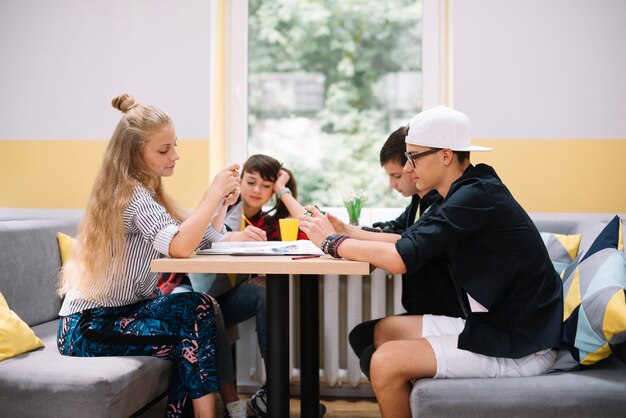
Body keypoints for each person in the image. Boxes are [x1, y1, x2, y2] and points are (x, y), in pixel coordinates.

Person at [298, 105, 563, 418]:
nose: (408, 169)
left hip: (520, 343)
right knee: (385, 332)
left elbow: (398, 259)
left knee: (384, 361)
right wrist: (345, 233)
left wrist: (332, 242)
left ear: (446, 155)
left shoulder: (474, 197)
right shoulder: (465, 189)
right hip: (495, 326)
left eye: (413, 158)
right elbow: (406, 242)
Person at [57, 93, 241, 418]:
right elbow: (181, 247)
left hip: (128, 311)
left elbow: (202, 237)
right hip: (88, 325)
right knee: (196, 324)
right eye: (164, 149)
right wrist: (211, 193)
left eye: (174, 145)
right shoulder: (131, 196)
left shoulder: (150, 192)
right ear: (134, 153)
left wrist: (220, 204)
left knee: (201, 308)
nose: (176, 155)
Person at [185, 154, 307, 418]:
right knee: (208, 308)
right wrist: (235, 237)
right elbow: (202, 238)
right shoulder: (224, 204)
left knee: (264, 292)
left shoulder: (267, 223)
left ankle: (274, 391)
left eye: (266, 186)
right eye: (251, 182)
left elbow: (307, 230)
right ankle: (232, 402)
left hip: (227, 296)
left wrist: (283, 191)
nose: (256, 191)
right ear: (239, 182)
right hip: (193, 289)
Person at [347, 126, 463, 378]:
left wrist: (341, 239)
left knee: (370, 351)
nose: (392, 184)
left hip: (447, 311)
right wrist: (352, 232)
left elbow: (405, 241)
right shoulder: (420, 202)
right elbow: (397, 229)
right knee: (361, 338)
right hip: (427, 306)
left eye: (397, 175)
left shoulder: (445, 204)